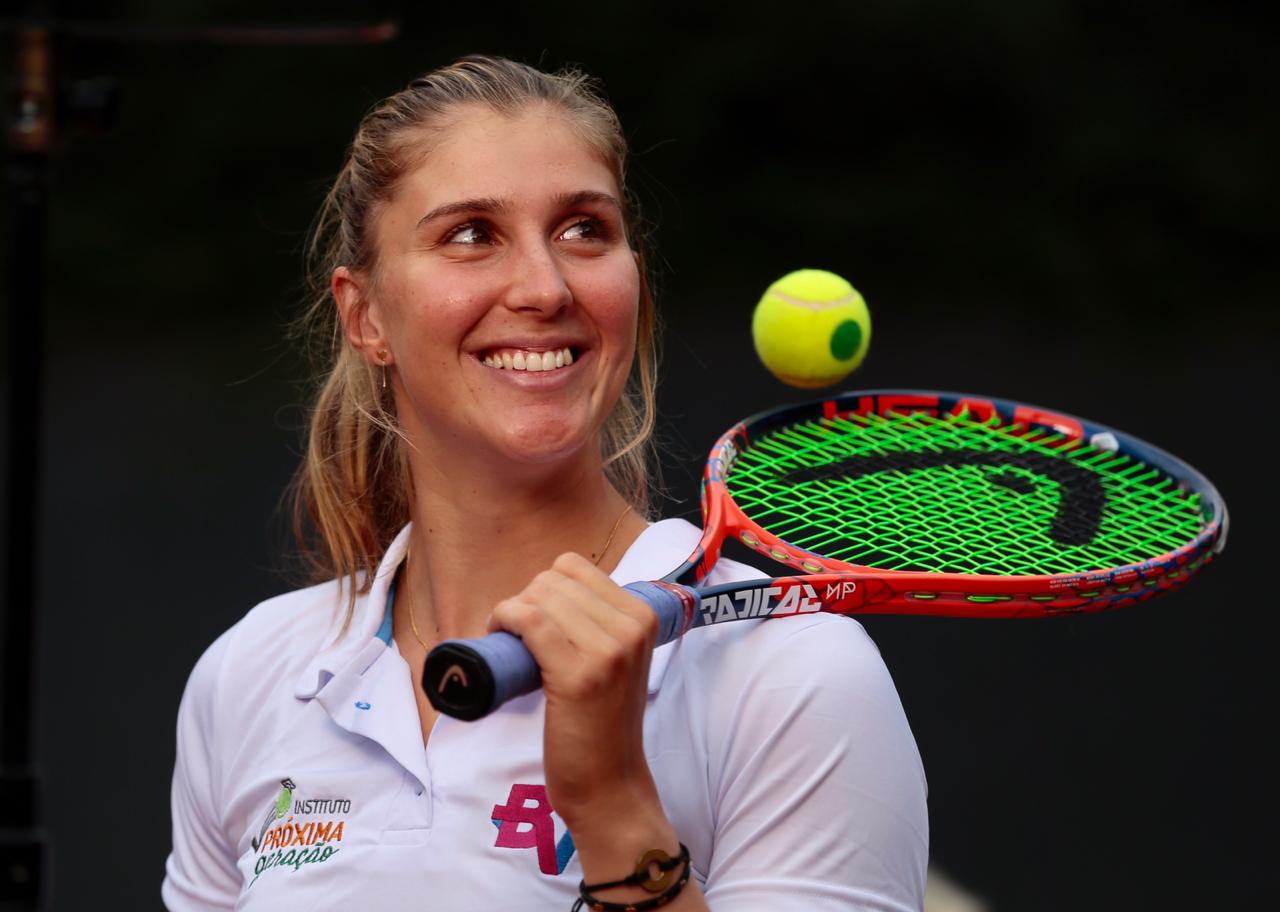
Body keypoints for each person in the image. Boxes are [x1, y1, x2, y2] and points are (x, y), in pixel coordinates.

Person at [162, 55, 928, 911]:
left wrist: (609, 800)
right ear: (364, 315)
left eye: (583, 230)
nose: (544, 286)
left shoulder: (793, 677)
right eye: (470, 235)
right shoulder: (250, 676)